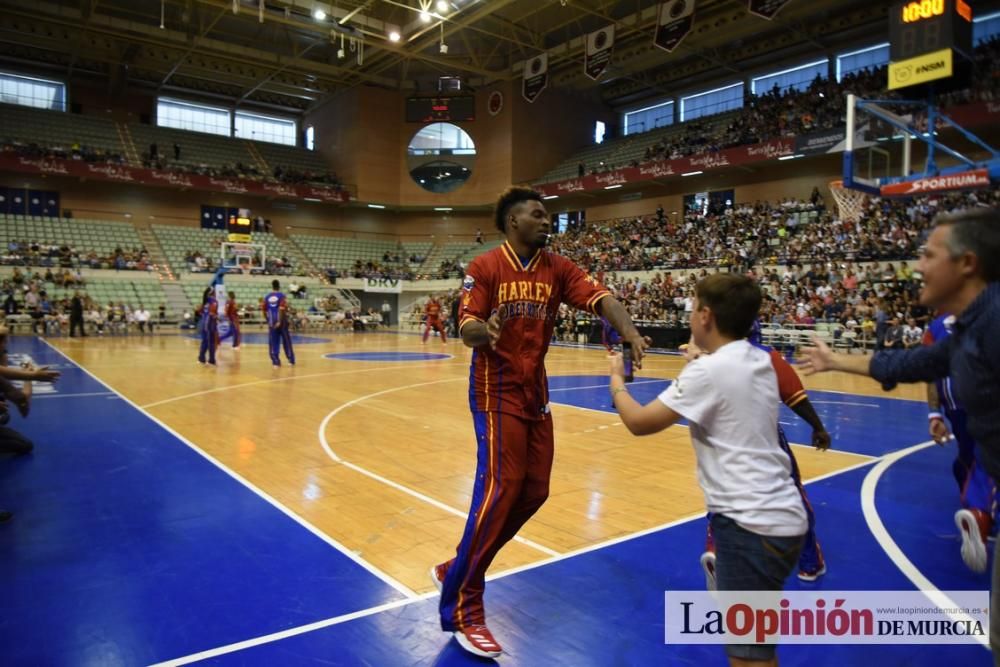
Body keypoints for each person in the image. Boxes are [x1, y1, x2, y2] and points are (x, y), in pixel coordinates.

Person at [430, 187, 648, 658]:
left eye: (548, 215)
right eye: (538, 214)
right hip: (495, 390)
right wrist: (479, 331)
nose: (547, 221)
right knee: (500, 487)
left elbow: (602, 298)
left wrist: (628, 330)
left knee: (534, 491)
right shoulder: (485, 266)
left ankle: (459, 565)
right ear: (513, 222)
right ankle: (465, 606)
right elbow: (466, 322)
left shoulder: (559, 268)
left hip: (536, 391)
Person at [800, 207, 1000, 655]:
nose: (918, 266)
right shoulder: (970, 328)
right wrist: (835, 361)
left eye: (929, 254)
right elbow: (910, 364)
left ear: (966, 263)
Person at [610, 273, 806, 667]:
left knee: (747, 656)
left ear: (705, 316)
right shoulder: (762, 360)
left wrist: (617, 380)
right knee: (758, 646)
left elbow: (640, 422)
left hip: (749, 527)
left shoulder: (708, 373)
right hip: (786, 519)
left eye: (692, 306)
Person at [924, 312, 997, 574]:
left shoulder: (935, 326)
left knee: (974, 456)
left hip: (955, 404)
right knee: (980, 457)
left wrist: (934, 414)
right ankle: (981, 513)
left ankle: (978, 511)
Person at [0, 325, 61, 522]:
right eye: (3, 347)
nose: (5, 352)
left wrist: (29, 377)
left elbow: (23, 404)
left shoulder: (3, 380)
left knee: (22, 443)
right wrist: (31, 376)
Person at [263, 279, 295, 367]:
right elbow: (281, 309)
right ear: (279, 286)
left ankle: (275, 362)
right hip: (282, 322)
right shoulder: (282, 296)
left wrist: (268, 320)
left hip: (271, 322)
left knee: (273, 342)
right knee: (286, 341)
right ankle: (290, 360)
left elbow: (264, 310)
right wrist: (280, 321)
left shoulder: (266, 297)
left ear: (272, 286)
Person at [196, 287, 218, 365]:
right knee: (211, 342)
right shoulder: (213, 301)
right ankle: (211, 360)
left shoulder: (205, 300)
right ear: (213, 293)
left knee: (204, 341)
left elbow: (198, 311)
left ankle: (201, 359)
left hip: (203, 323)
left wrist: (204, 314)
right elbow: (212, 313)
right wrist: (215, 316)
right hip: (209, 323)